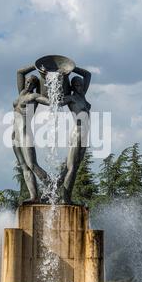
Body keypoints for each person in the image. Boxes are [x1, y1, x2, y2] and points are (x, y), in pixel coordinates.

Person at [12, 65, 49, 203]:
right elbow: (19, 71)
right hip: (15, 135)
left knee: (32, 164)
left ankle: (52, 188)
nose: (28, 84)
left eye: (31, 83)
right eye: (27, 82)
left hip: (25, 133)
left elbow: (49, 101)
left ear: (35, 85)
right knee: (24, 167)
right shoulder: (21, 94)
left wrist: (43, 76)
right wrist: (35, 66)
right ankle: (34, 196)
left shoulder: (34, 96)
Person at [61, 67, 92, 204]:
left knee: (74, 166)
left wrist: (72, 68)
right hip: (77, 133)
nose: (80, 87)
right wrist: (65, 75)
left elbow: (87, 74)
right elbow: (57, 101)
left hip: (85, 135)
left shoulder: (82, 97)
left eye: (81, 84)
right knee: (71, 167)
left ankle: (56, 190)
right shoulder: (72, 98)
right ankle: (65, 198)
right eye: (77, 85)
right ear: (73, 87)